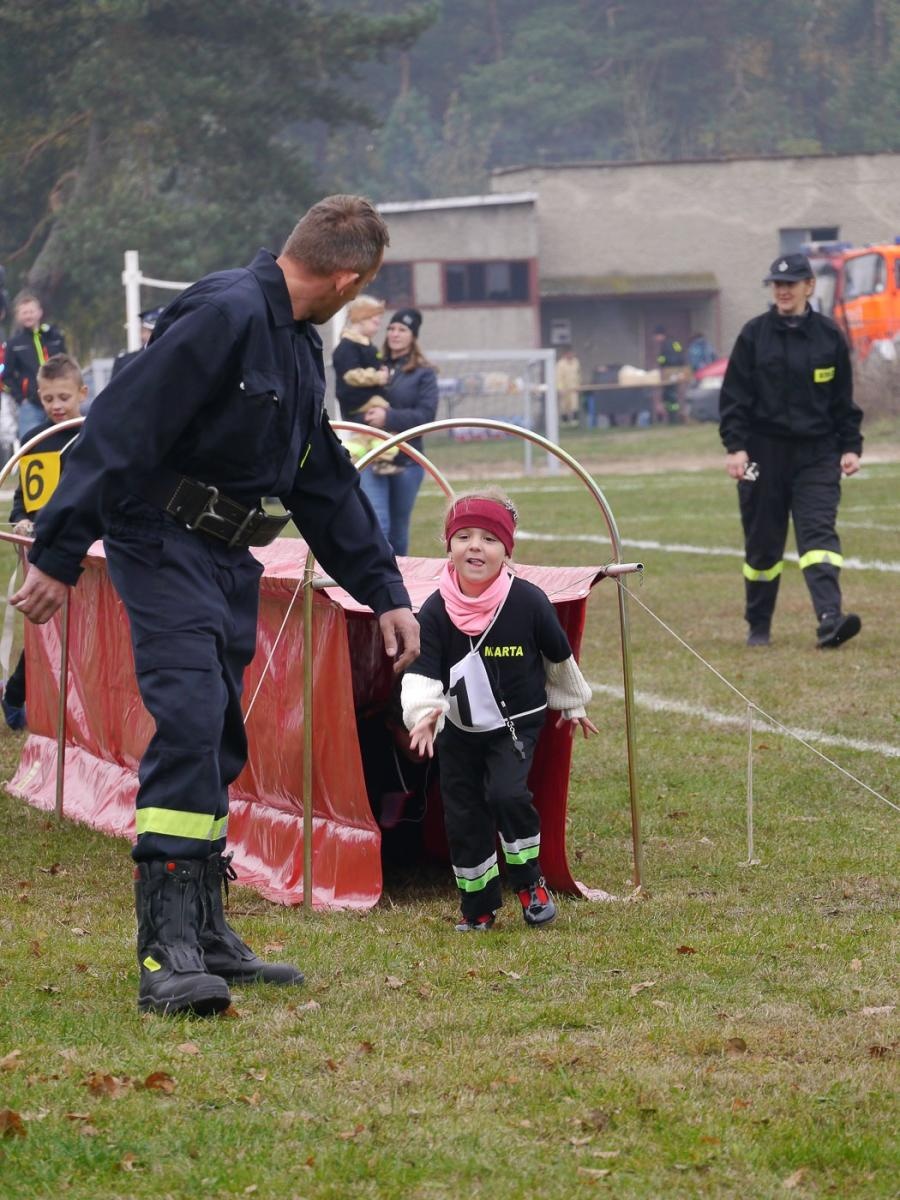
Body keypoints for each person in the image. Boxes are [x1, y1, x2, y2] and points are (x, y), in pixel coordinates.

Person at [10, 194, 420, 1018]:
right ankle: (166, 951)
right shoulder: (225, 313)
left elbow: (322, 482)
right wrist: (58, 552)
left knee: (219, 733)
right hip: (159, 541)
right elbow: (121, 424)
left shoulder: (298, 347)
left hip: (227, 553)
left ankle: (208, 928)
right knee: (191, 717)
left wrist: (384, 592)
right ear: (349, 277)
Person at [400, 488, 598, 932]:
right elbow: (423, 671)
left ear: (506, 550)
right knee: (465, 816)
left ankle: (531, 883)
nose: (476, 546)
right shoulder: (434, 611)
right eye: (464, 536)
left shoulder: (528, 602)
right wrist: (425, 711)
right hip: (458, 733)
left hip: (515, 726)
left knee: (507, 795)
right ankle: (479, 907)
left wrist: (572, 703)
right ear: (448, 547)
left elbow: (558, 657)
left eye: (489, 539)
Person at [719, 252, 863, 649]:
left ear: (809, 287)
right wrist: (736, 447)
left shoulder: (829, 336)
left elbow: (843, 401)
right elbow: (734, 399)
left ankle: (830, 619)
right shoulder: (753, 334)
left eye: (791, 284)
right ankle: (759, 626)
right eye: (777, 285)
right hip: (761, 455)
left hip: (818, 453)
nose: (783, 290)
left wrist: (851, 446)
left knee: (818, 535)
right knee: (763, 544)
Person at [2, 354, 87, 731]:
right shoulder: (34, 442)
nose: (56, 405)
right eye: (49, 398)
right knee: (43, 630)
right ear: (38, 396)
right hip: (43, 551)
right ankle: (16, 695)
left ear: (82, 393)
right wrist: (20, 519)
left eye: (64, 397)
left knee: (86, 632)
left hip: (87, 548)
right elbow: (25, 497)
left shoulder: (95, 436)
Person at [358, 307, 438, 556]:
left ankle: (400, 581)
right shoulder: (371, 366)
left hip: (408, 461)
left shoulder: (424, 373)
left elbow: (426, 416)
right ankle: (377, 582)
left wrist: (388, 417)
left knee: (398, 532)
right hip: (372, 457)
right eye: (391, 328)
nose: (395, 334)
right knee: (378, 526)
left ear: (413, 336)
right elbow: (354, 402)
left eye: (402, 329)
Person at [332, 295, 403, 474]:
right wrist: (378, 377)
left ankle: (359, 458)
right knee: (382, 420)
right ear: (361, 319)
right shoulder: (347, 347)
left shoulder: (369, 346)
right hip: (359, 399)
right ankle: (380, 458)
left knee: (368, 434)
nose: (379, 326)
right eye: (375, 321)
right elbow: (351, 375)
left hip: (370, 398)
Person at [3, 293, 67, 439]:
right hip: (31, 405)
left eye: (31, 311)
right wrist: (20, 398)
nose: (28, 316)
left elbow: (67, 365)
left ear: (39, 313)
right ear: (18, 316)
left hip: (59, 401)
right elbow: (6, 376)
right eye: (24, 312)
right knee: (31, 445)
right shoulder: (14, 344)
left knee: (63, 441)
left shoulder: (54, 337)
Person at [110, 307, 164, 379]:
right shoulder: (126, 364)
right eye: (152, 331)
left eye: (163, 331)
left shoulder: (177, 360)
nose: (160, 335)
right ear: (142, 333)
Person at [651, 324, 685, 423]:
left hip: (669, 373)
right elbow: (681, 354)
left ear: (660, 335)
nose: (655, 339)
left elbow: (663, 359)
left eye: (656, 336)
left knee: (669, 395)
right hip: (678, 372)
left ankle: (673, 418)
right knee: (673, 394)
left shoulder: (665, 345)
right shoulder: (676, 343)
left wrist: (660, 361)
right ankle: (675, 416)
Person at [555, 344, 582, 426]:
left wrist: (579, 385)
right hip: (564, 389)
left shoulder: (576, 362)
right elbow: (558, 377)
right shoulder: (560, 364)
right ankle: (565, 423)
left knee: (574, 405)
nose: (571, 355)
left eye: (571, 353)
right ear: (565, 354)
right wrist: (560, 389)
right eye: (569, 353)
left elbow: (579, 374)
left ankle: (575, 422)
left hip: (574, 387)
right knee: (564, 406)